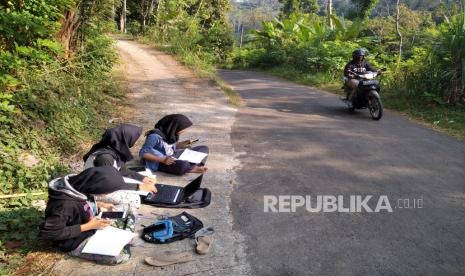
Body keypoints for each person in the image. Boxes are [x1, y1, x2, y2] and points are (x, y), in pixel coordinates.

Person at [40, 166, 134, 265]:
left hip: (89, 223)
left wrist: (99, 205)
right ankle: (122, 238)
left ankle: (121, 237)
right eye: (106, 191)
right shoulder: (63, 205)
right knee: (121, 256)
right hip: (74, 241)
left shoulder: (79, 184)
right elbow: (49, 233)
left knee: (126, 208)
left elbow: (82, 203)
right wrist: (89, 226)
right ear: (96, 187)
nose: (106, 195)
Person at [83, 124, 156, 187]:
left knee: (147, 172)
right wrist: (138, 187)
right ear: (124, 140)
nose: (135, 143)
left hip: (105, 183)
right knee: (134, 200)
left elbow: (120, 169)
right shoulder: (105, 158)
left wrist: (142, 178)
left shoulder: (110, 148)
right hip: (96, 190)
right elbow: (108, 184)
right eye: (133, 140)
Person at [139, 114, 208, 176]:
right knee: (182, 165)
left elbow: (172, 146)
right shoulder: (154, 136)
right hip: (161, 161)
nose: (184, 131)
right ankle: (191, 167)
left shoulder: (170, 133)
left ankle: (189, 167)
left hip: (172, 155)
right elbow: (143, 153)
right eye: (182, 128)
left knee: (204, 148)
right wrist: (163, 160)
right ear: (174, 126)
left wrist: (185, 143)